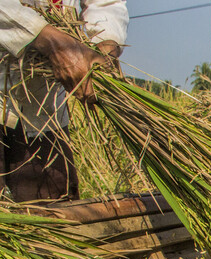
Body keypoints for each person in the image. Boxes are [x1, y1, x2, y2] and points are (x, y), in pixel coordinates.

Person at [0, 0, 128, 202]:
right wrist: (50, 40)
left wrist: (105, 44)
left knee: (54, 217)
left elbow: (105, 3)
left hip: (43, 111)